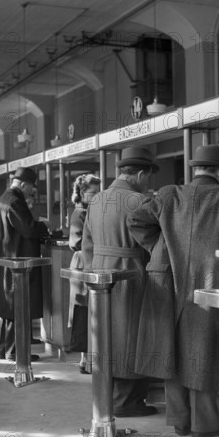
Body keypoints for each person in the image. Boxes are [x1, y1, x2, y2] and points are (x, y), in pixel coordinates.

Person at [127, 144, 219, 437]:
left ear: (195, 169)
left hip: (165, 279)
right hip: (208, 278)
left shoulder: (167, 194)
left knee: (170, 348)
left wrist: (159, 248)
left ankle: (179, 420)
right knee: (201, 349)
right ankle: (204, 424)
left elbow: (135, 220)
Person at [81, 146, 159, 418]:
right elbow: (154, 245)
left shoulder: (96, 200)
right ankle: (127, 402)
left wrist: (90, 275)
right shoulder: (140, 201)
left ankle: (106, 392)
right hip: (131, 272)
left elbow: (86, 245)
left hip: (99, 275)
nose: (148, 183)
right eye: (147, 176)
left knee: (106, 334)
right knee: (131, 335)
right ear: (139, 174)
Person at [0, 167, 49, 362]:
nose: (32, 191)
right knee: (17, 308)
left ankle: (6, 349)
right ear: (22, 185)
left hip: (7, 262)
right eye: (31, 187)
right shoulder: (15, 201)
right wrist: (44, 226)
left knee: (10, 311)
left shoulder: (2, 199)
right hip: (18, 263)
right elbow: (29, 230)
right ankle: (15, 352)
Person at [68, 173, 101, 374]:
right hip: (83, 262)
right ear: (82, 193)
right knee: (84, 312)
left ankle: (85, 360)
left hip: (83, 263)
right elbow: (79, 242)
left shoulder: (85, 211)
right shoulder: (81, 213)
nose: (97, 196)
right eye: (93, 192)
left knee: (85, 312)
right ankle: (86, 360)